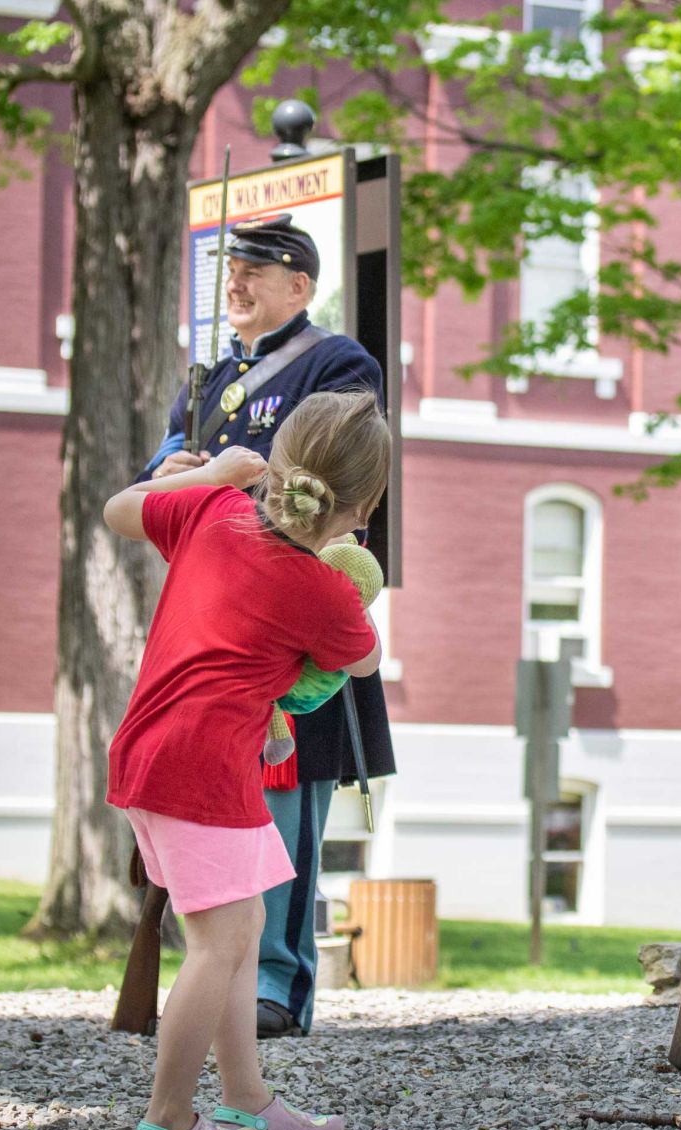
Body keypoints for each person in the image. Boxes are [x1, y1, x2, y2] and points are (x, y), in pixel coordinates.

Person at [106, 390, 391, 1130]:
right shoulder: (323, 590)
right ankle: (164, 1122)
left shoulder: (210, 512)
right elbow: (361, 657)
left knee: (240, 932)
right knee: (219, 941)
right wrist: (347, 571)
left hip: (153, 753)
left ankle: (247, 1098)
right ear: (360, 508)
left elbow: (119, 509)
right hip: (201, 769)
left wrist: (206, 477)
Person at [143, 213, 396, 1040]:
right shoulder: (212, 376)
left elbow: (337, 471)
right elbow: (164, 473)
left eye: (256, 271)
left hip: (291, 616)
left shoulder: (334, 363)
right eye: (233, 270)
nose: (237, 284)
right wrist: (173, 474)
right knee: (220, 817)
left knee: (282, 819)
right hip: (220, 615)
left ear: (300, 285)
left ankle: (276, 987)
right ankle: (215, 971)